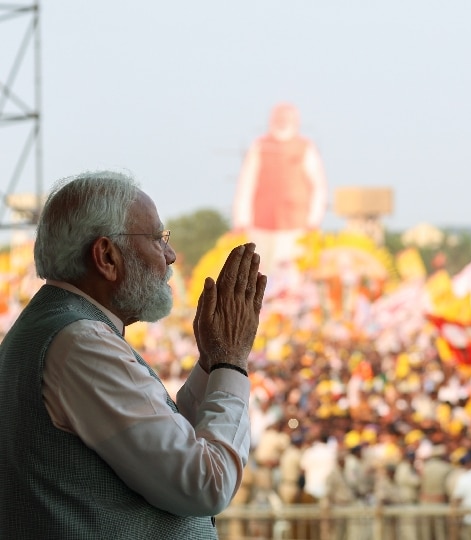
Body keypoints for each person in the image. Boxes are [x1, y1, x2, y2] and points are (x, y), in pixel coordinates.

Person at [0, 170, 267, 539]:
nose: (171, 256)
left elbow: (168, 447)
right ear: (107, 256)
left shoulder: (60, 327)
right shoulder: (81, 343)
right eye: (158, 239)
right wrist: (231, 360)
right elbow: (206, 484)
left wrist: (211, 362)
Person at [232, 102, 328, 273]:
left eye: (286, 118)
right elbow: (246, 183)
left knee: (291, 274)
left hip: (296, 225)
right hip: (261, 223)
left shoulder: (305, 147)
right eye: (278, 117)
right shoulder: (260, 145)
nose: (282, 121)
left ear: (296, 121)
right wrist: (241, 220)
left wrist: (314, 220)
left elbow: (318, 186)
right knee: (259, 272)